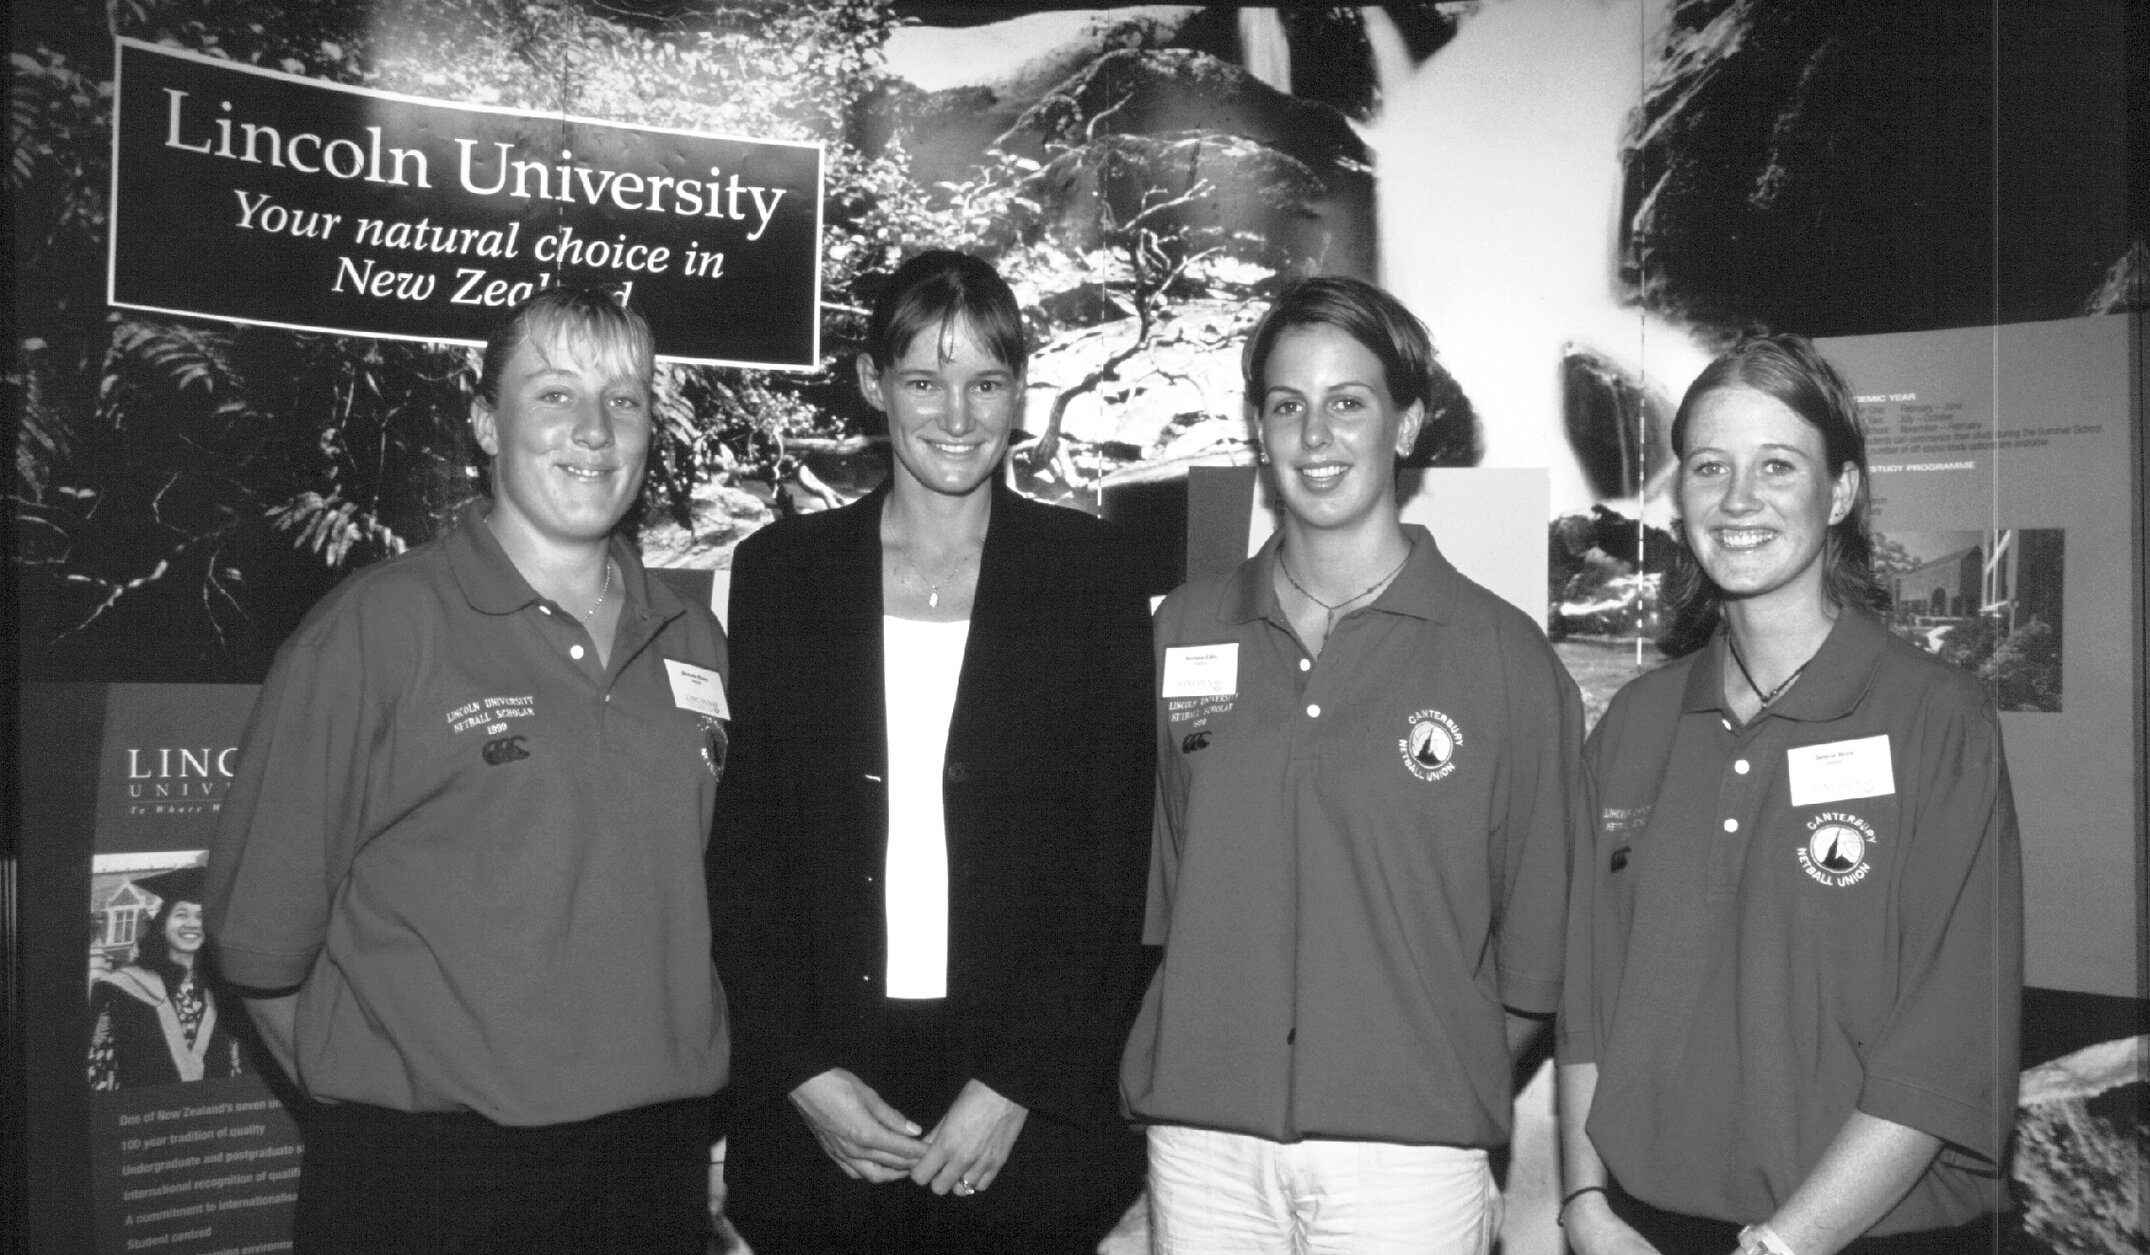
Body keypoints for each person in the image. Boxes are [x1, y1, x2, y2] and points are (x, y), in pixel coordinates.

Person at [205, 286, 729, 1255]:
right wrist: (391, 1103)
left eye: (624, 399)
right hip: (431, 1179)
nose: (593, 429)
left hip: (650, 1168)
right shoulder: (374, 631)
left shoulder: (692, 637)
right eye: (554, 394)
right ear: (487, 423)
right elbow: (258, 945)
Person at [1120, 275, 1585, 1254]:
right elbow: (1167, 883)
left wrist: (1416, 1072)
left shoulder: (1503, 660)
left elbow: (1537, 958)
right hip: (1202, 1149)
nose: (1314, 436)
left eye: (1348, 402)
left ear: (1406, 423)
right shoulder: (1183, 629)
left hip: (1406, 1167)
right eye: (1286, 406)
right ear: (1257, 428)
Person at [709, 249, 1154, 1254]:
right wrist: (800, 1075)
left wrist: (1012, 1087)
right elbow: (744, 855)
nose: (955, 417)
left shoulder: (1088, 575)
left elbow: (1111, 862)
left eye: (984, 383)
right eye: (923, 381)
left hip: (1018, 1095)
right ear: (874, 385)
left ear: (1018, 395)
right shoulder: (782, 574)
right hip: (823, 1086)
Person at [1556, 334, 2022, 1255]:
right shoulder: (1637, 724)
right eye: (1709, 467)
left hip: (1871, 1233)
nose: (1738, 500)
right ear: (1678, 492)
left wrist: (1784, 1244)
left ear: (1840, 490)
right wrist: (1582, 1205)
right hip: (1643, 1231)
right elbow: (1588, 997)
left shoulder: (1937, 720)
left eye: (1778, 464)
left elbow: (1948, 1039)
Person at [88, 865, 247, 1089]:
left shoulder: (225, 991)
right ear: (162, 926)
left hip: (214, 1115)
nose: (192, 924)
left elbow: (238, 1065)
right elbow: (99, 1069)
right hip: (143, 1117)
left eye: (201, 917)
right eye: (181, 914)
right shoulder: (120, 989)